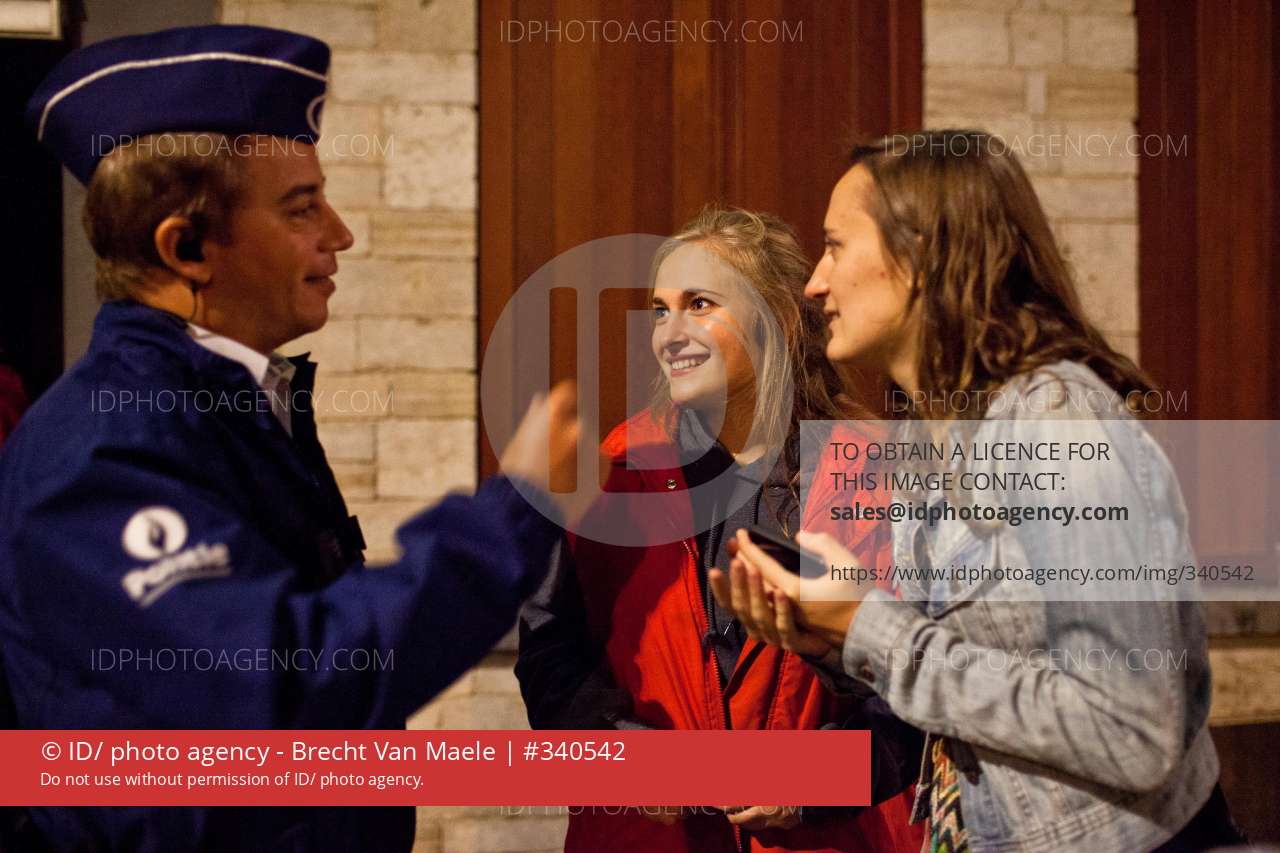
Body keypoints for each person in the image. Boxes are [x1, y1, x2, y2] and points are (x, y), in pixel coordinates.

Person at [0, 25, 582, 852]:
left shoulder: (227, 403)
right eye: (302, 207)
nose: (339, 234)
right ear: (187, 246)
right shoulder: (102, 445)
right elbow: (280, 682)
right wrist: (508, 517)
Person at [711, 131, 1245, 852]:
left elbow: (1132, 728)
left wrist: (870, 626)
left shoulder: (1057, 426)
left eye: (836, 246)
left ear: (920, 256)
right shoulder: (933, 436)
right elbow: (962, 691)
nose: (816, 283)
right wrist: (833, 638)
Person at [516, 207, 924, 853]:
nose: (669, 334)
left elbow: (923, 688)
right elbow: (549, 655)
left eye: (699, 304)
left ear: (778, 317)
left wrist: (819, 781)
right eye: (660, 311)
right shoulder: (612, 472)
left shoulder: (879, 474)